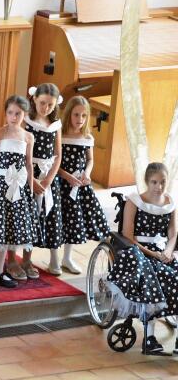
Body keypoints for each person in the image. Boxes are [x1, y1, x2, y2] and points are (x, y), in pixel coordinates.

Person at [107, 162, 178, 354]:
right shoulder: (135, 201)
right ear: (147, 181)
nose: (159, 187)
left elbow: (173, 234)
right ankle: (149, 338)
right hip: (139, 250)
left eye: (162, 182)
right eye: (154, 182)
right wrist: (153, 253)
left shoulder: (170, 203)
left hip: (163, 251)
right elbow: (128, 235)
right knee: (160, 278)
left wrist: (169, 251)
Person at [0, 95, 37, 289]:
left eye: (18, 113)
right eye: (10, 113)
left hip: (17, 189)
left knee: (8, 228)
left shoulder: (28, 136)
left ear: (24, 114)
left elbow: (28, 165)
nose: (13, 117)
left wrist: (29, 189)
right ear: (6, 113)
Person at [57, 95, 110, 274]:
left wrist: (87, 174)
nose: (80, 120)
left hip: (79, 185)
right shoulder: (60, 134)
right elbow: (54, 161)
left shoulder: (87, 136)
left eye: (84, 116)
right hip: (61, 184)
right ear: (68, 115)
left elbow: (90, 160)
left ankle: (67, 257)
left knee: (75, 220)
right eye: (76, 115)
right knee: (58, 219)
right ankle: (54, 257)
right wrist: (66, 176)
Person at [20, 83, 63, 278]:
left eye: (50, 105)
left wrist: (48, 181)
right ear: (34, 99)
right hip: (28, 173)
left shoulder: (55, 125)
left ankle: (33, 258)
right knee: (26, 215)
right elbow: (20, 151)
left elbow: (58, 155)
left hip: (47, 177)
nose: (45, 108)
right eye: (42, 103)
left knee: (43, 216)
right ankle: (19, 258)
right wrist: (33, 180)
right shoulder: (26, 121)